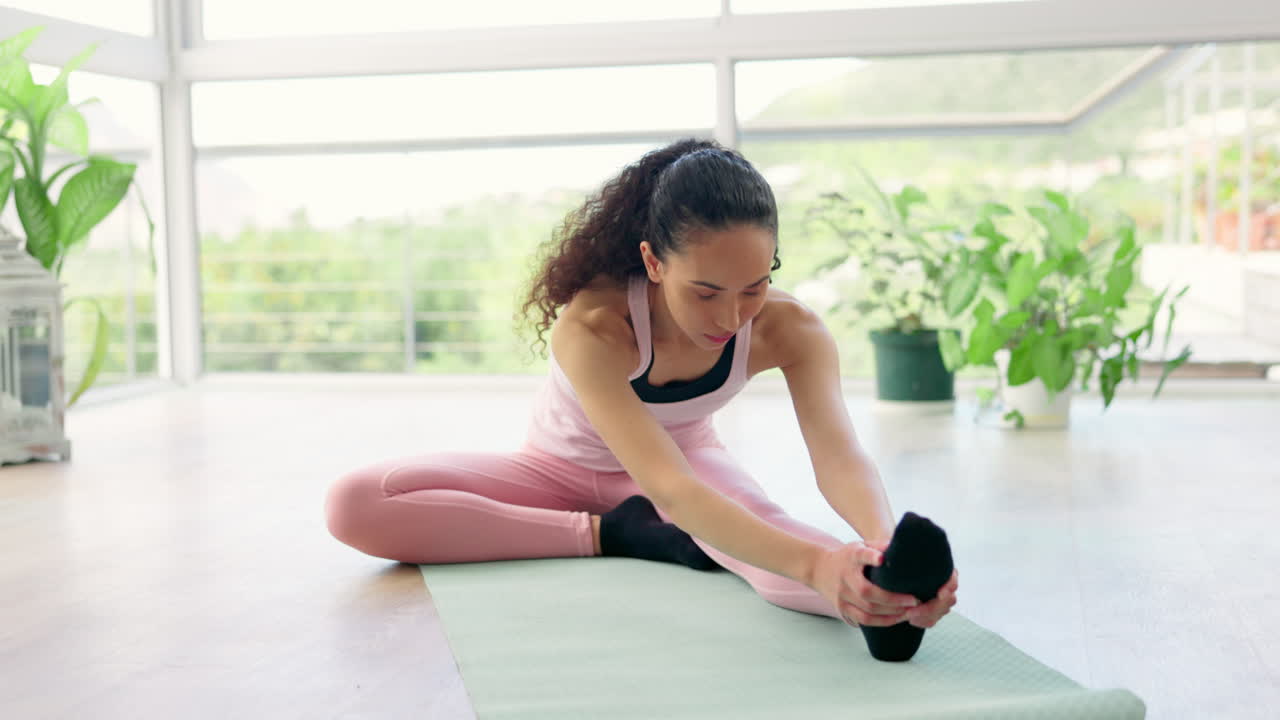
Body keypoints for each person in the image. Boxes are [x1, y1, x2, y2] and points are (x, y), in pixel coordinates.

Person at [325, 138, 959, 634]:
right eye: (706, 291)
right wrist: (624, 526)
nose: (731, 317)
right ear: (654, 262)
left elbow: (839, 457)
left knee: (774, 540)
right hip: (557, 475)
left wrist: (881, 547)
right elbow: (670, 490)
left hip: (685, 466)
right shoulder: (594, 326)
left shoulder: (793, 330)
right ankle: (613, 536)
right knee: (356, 503)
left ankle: (882, 605)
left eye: (754, 286)